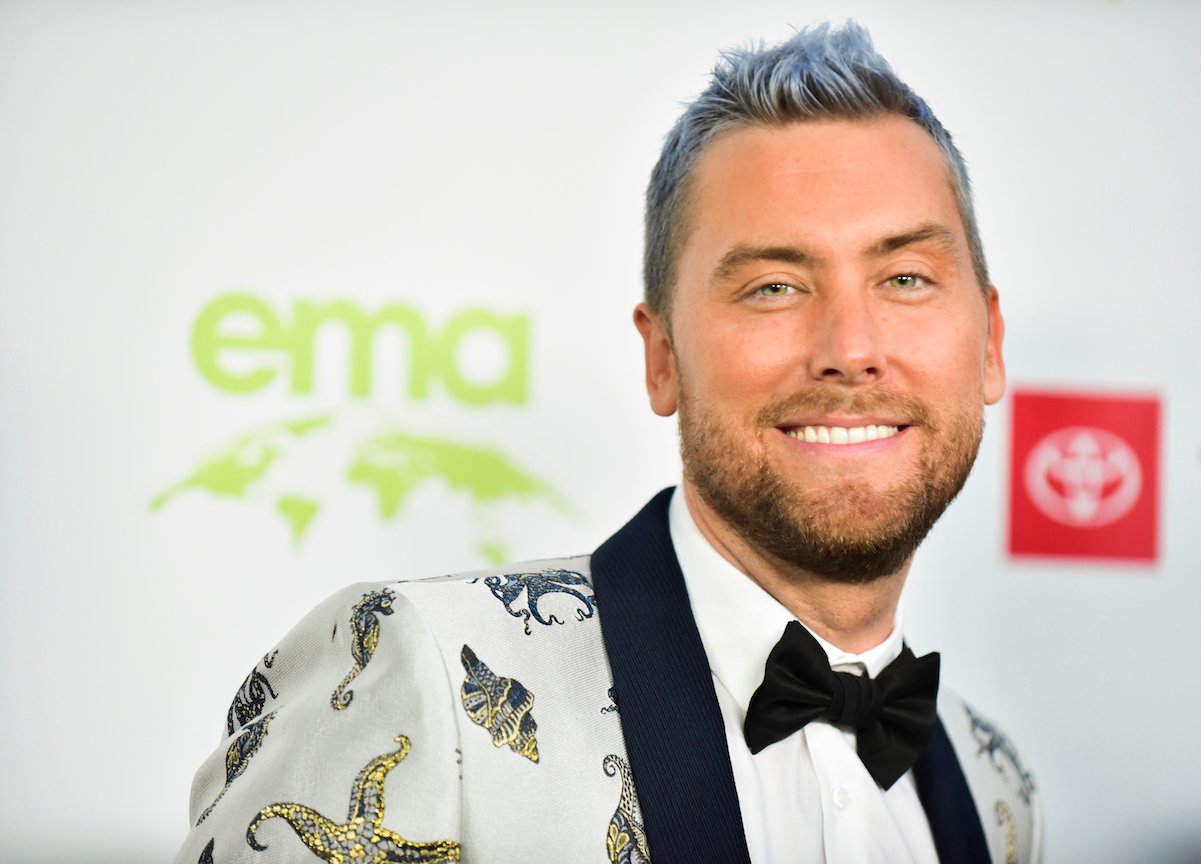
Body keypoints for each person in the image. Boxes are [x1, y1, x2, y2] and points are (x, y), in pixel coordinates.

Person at [175, 21, 1041, 864]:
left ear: (990, 342)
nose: (850, 349)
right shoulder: (415, 674)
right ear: (662, 357)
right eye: (773, 286)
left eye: (904, 278)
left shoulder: (995, 785)